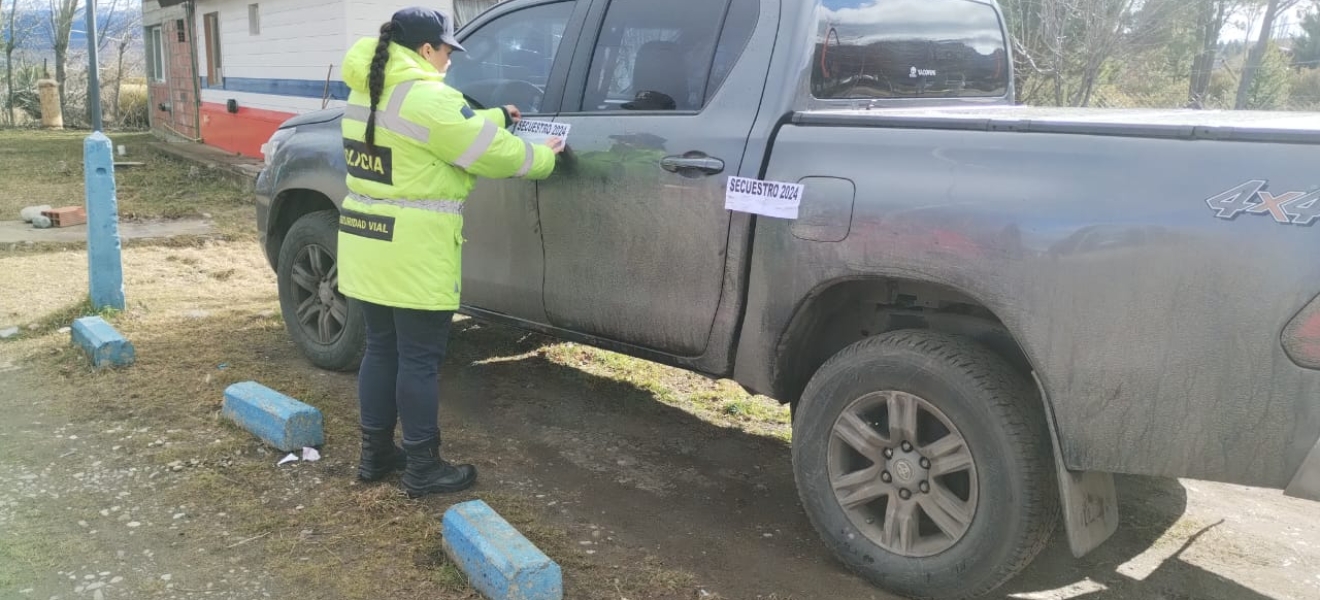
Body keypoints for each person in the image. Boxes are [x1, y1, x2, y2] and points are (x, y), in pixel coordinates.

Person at [337, 6, 565, 498]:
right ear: (425, 49)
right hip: (414, 250)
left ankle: (374, 455)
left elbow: (434, 131)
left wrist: (496, 116)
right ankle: (423, 467)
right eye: (446, 51)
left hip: (367, 236)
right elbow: (491, 153)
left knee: (382, 349)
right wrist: (545, 155)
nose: (448, 61)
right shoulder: (428, 97)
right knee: (419, 360)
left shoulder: (369, 88)